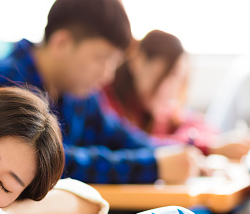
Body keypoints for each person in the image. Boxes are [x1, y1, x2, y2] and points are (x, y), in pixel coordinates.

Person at [0, 0, 203, 185]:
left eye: (114, 63)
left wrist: (184, 152)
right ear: (61, 43)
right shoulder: (5, 81)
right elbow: (48, 162)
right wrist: (154, 165)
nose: (108, 75)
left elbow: (120, 136)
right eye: (101, 58)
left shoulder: (78, 93)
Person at [102, 29, 250, 160]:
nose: (174, 90)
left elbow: (205, 128)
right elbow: (141, 145)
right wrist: (209, 148)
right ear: (139, 61)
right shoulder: (105, 103)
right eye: (171, 75)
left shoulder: (159, 112)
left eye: (180, 80)